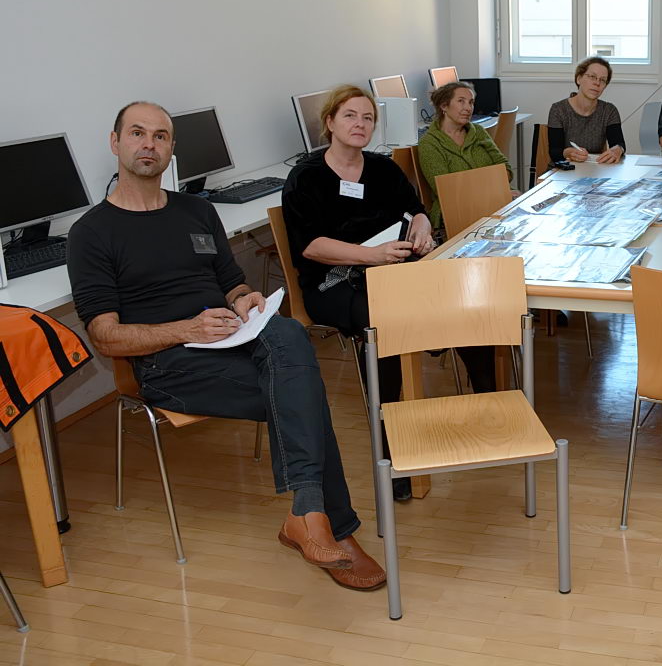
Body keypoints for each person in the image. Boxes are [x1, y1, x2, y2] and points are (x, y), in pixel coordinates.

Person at [67, 101, 385, 590]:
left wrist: (244, 299)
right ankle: (326, 525)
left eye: (160, 136)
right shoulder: (91, 233)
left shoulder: (197, 211)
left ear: (172, 148)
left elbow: (230, 281)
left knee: (287, 333)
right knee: (301, 391)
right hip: (168, 365)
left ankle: (309, 515)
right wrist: (186, 330)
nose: (149, 144)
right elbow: (105, 337)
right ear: (115, 143)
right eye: (137, 133)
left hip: (232, 340)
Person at [283, 85, 499, 501]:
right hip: (336, 280)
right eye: (350, 116)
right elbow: (310, 246)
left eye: (367, 117)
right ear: (330, 123)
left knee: (466, 297)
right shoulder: (306, 177)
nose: (360, 124)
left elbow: (416, 210)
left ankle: (490, 409)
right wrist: (371, 255)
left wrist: (420, 227)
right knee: (383, 324)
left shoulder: (383, 168)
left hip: (392, 267)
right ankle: (391, 452)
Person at [418, 80, 512, 229]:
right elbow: (447, 191)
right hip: (454, 214)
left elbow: (507, 171)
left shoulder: (478, 132)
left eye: (471, 102)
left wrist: (493, 190)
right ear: (444, 106)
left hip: (493, 203)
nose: (468, 108)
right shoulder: (429, 143)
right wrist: (494, 185)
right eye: (461, 101)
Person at [548, 57, 626, 164]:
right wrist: (568, 153)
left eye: (602, 80)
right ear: (578, 79)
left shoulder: (609, 111)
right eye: (592, 77)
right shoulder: (558, 109)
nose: (597, 83)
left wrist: (618, 149)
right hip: (564, 169)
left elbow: (619, 144)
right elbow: (554, 152)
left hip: (596, 169)